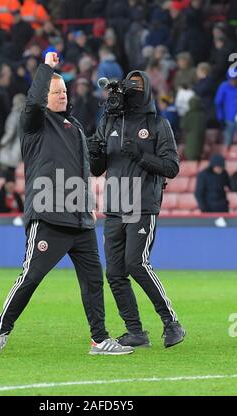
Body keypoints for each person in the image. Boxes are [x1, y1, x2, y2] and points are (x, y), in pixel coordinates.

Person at [0, 52, 133, 356]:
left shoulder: (74, 127)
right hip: (48, 216)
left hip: (80, 220)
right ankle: (1, 331)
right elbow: (32, 103)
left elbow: (84, 170)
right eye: (56, 91)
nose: (62, 95)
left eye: (64, 91)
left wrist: (88, 202)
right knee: (31, 277)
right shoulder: (34, 125)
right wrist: (46, 68)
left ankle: (99, 339)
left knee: (93, 282)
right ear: (43, 96)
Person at [87, 70, 186, 348]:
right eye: (129, 85)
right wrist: (94, 152)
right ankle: (136, 332)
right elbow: (97, 169)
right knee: (115, 273)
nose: (131, 90)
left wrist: (141, 156)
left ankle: (171, 323)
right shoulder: (108, 120)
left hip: (142, 205)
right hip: (114, 207)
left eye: (137, 85)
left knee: (136, 264)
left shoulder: (158, 124)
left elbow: (172, 167)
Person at [215, 70, 237, 150]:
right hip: (228, 119)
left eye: (235, 79)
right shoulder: (224, 86)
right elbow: (218, 103)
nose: (233, 81)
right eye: (231, 79)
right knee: (228, 143)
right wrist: (220, 118)